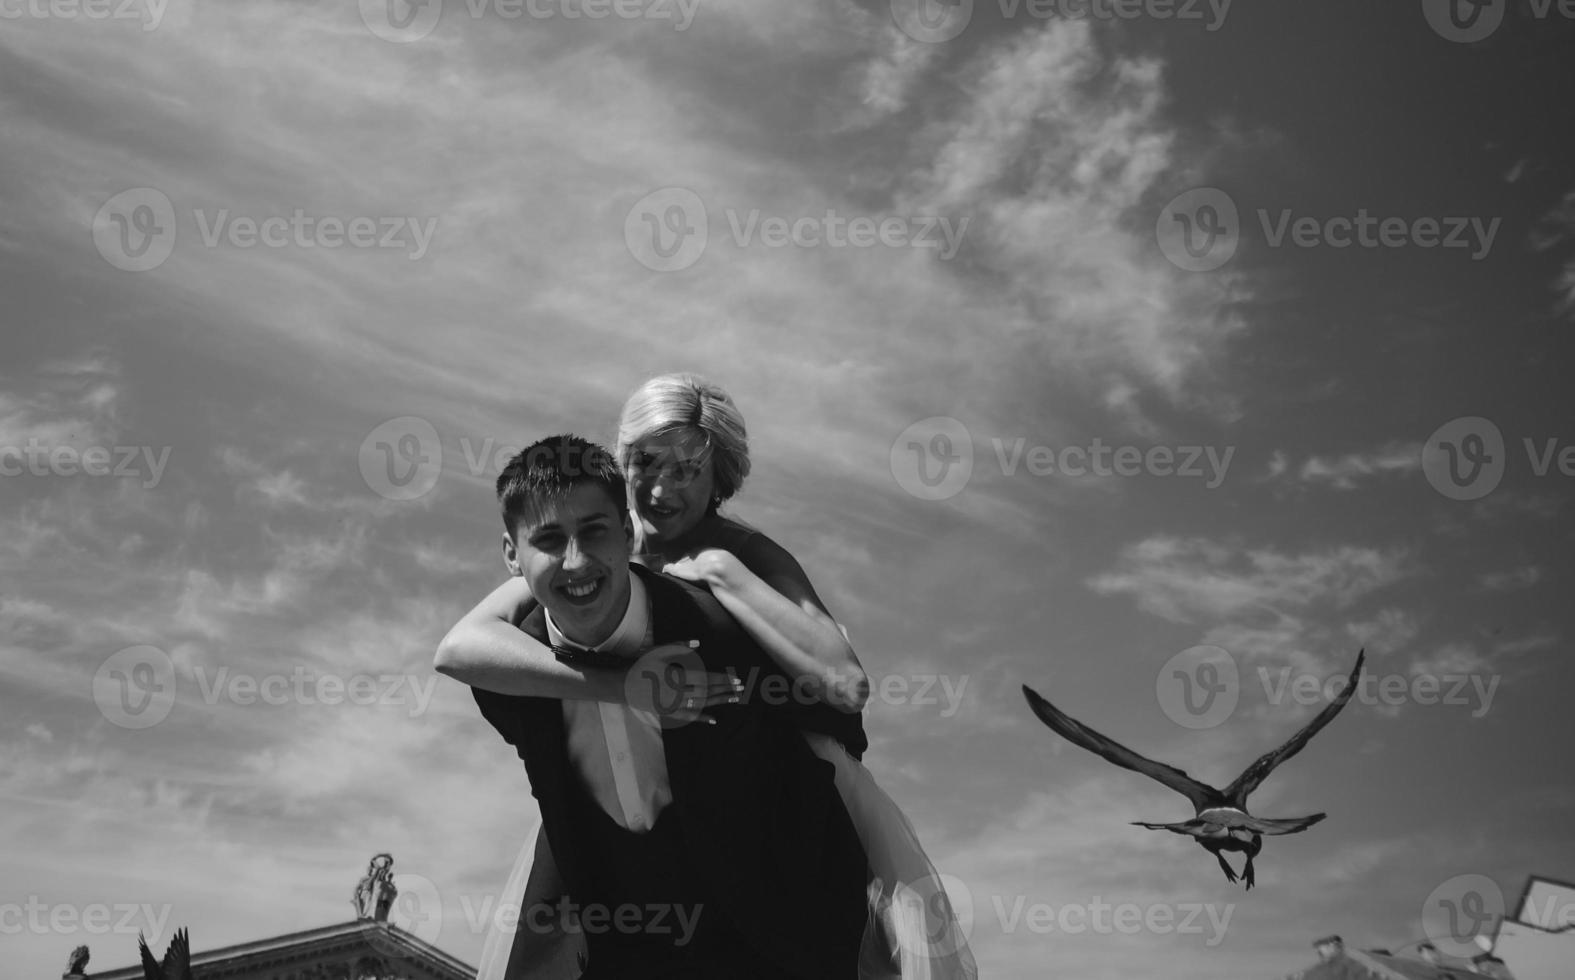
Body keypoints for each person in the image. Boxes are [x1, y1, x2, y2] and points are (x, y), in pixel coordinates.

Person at [437, 375, 976, 980]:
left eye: (688, 469)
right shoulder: (597, 540)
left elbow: (845, 684)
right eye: (645, 462)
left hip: (764, 763)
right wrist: (615, 687)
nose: (663, 488)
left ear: (719, 475)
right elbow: (461, 643)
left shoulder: (741, 552)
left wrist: (722, 574)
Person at [457, 434, 869, 979]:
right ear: (512, 555)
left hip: (773, 944)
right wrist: (620, 684)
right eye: (550, 540)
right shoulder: (507, 674)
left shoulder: (726, 630)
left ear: (627, 531)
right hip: (609, 950)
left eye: (595, 532)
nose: (576, 562)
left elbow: (841, 722)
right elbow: (458, 652)